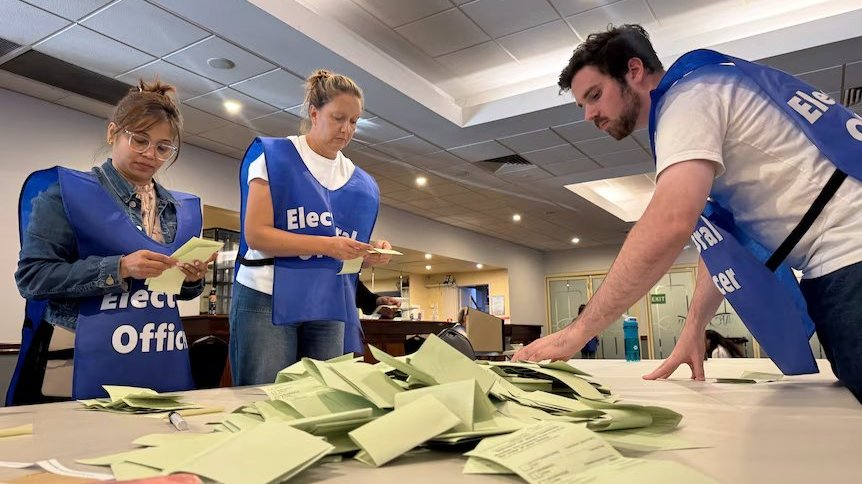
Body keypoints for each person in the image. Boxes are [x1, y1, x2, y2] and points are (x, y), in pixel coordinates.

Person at [513, 25, 862, 403]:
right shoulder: (701, 90)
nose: (589, 114)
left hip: (849, 248)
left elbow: (671, 222)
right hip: (834, 257)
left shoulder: (686, 100)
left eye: (595, 96)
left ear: (634, 70)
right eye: (583, 105)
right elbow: (718, 241)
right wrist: (694, 326)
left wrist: (576, 333)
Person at [10, 79, 211, 404]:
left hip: (155, 347)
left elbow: (174, 290)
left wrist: (191, 279)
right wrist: (119, 267)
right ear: (113, 133)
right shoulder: (65, 194)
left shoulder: (177, 210)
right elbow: (32, 280)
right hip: (77, 352)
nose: (150, 154)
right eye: (140, 140)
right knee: (81, 446)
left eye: (163, 148)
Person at [231, 69, 391, 385]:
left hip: (327, 298)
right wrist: (327, 245)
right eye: (338, 118)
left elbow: (346, 250)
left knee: (324, 398)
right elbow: (257, 235)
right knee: (264, 396)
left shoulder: (361, 182)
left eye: (354, 122)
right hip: (267, 293)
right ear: (314, 114)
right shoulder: (273, 156)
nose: (347, 129)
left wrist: (368, 253)